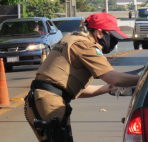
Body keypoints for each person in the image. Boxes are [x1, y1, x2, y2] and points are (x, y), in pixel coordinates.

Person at [24, 12, 140, 142]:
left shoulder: (71, 39)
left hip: (39, 100)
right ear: (99, 33)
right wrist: (144, 79)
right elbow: (115, 78)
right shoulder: (86, 46)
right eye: (112, 36)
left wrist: (109, 88)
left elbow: (72, 89)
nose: (115, 41)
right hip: (49, 102)